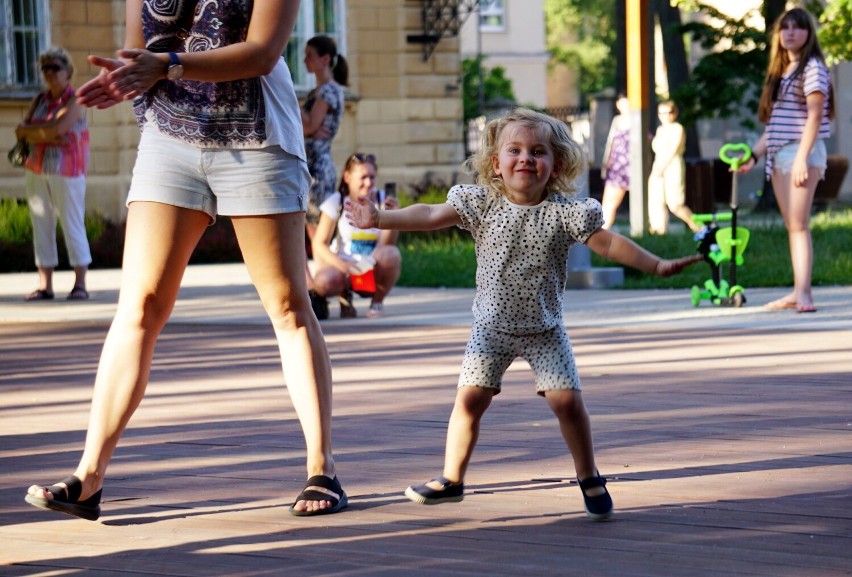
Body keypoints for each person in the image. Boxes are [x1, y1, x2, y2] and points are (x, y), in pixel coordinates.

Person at [24, 0, 347, 520]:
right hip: (170, 138)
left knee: (288, 304)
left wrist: (169, 65)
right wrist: (128, 76)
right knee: (141, 305)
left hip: (257, 135)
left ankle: (322, 466)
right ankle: (89, 476)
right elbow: (142, 49)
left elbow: (262, 52)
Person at [345, 107, 701, 520]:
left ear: (556, 165)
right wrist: (380, 218)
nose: (526, 158)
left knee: (567, 403)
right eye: (514, 150)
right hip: (490, 329)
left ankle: (588, 475)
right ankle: (451, 479)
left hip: (545, 330)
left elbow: (610, 245)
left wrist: (656, 265)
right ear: (496, 164)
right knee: (469, 402)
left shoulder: (565, 213)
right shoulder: (482, 205)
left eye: (538, 152)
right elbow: (427, 215)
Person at [736, 7, 834, 314]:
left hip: (801, 152)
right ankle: (797, 291)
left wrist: (803, 159)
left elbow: (815, 117)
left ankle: (805, 294)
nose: (790, 32)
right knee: (792, 225)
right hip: (780, 153)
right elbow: (775, 126)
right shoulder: (781, 71)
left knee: (799, 225)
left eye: (798, 27)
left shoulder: (813, 68)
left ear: (808, 33)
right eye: (785, 27)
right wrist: (753, 155)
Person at [16, 47, 92, 301]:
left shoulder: (76, 99)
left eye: (55, 68)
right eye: (45, 68)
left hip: (67, 169)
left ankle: (80, 283)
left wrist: (35, 131)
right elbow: (20, 130)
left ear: (68, 71)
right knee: (41, 223)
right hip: (36, 167)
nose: (49, 73)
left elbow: (59, 127)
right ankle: (45, 285)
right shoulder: (40, 99)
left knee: (72, 223)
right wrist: (45, 133)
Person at [312, 153, 401, 319]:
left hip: (372, 265)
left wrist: (392, 218)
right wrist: (344, 267)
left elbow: (386, 244)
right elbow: (319, 243)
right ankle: (345, 297)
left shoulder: (383, 201)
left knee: (392, 254)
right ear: (347, 177)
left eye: (372, 177)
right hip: (344, 266)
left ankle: (377, 302)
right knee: (323, 281)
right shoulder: (337, 202)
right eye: (363, 177)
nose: (368, 183)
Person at [301, 35, 347, 319]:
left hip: (316, 169)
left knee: (316, 234)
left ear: (324, 59)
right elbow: (309, 127)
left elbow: (310, 126)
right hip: (313, 165)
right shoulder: (320, 91)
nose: (305, 59)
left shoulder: (327, 92)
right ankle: (318, 292)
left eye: (309, 54)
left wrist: (287, 103)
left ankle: (320, 292)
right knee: (311, 232)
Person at [647, 100, 701, 235]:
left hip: (672, 167)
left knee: (675, 204)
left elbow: (673, 149)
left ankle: (699, 228)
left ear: (674, 113)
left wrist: (661, 167)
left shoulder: (678, 128)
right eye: (661, 112)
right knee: (657, 202)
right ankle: (659, 232)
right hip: (658, 166)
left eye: (668, 112)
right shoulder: (660, 130)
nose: (665, 116)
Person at [599, 94, 631, 230]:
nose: (624, 105)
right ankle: (603, 230)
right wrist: (606, 163)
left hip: (633, 166)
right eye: (621, 102)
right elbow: (610, 142)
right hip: (617, 166)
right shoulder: (617, 120)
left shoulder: (638, 119)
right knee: (609, 201)